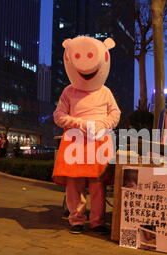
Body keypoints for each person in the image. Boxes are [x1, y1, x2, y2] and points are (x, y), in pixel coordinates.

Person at [52, 36, 121, 234]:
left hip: (99, 141)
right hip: (75, 140)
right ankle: (76, 220)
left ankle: (97, 221)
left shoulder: (105, 91)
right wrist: (80, 123)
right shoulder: (68, 91)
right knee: (74, 184)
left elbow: (115, 114)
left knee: (97, 184)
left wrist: (102, 124)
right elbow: (58, 115)